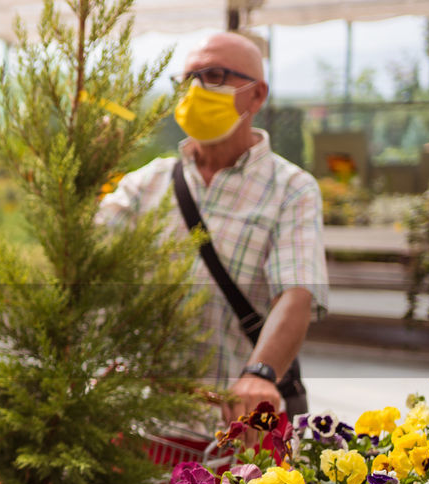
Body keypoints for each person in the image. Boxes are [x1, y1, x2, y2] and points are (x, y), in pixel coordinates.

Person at [97, 32, 328, 424]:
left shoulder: (292, 189)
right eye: (189, 78)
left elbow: (297, 294)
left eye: (216, 75)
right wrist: (84, 171)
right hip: (143, 423)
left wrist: (260, 375)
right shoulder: (146, 183)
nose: (198, 88)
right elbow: (89, 256)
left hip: (232, 429)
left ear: (257, 96)